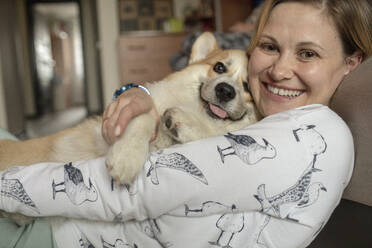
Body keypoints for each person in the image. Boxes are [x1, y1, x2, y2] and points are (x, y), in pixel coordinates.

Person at [1, 0, 371, 247]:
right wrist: (142, 91)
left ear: (352, 62)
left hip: (55, 228)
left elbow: (133, 191)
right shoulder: (277, 117)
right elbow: (186, 83)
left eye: (307, 53)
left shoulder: (306, 138)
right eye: (270, 46)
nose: (278, 70)